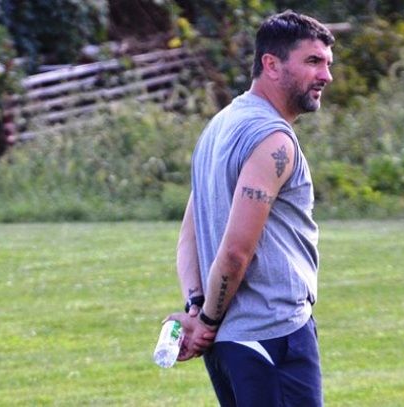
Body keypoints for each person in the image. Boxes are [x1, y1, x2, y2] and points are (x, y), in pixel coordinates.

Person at [163, 10, 334, 407]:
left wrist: (197, 308)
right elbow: (237, 251)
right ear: (271, 64)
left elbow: (188, 236)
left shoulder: (219, 126)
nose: (326, 75)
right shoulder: (273, 140)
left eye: (327, 63)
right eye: (312, 61)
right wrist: (205, 320)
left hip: (228, 344)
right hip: (270, 335)